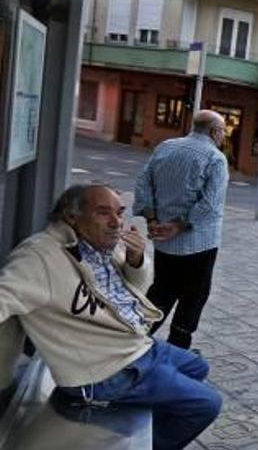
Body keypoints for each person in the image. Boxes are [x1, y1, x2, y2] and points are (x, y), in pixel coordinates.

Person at [0, 185, 222, 449]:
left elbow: (136, 289)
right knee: (207, 404)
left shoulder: (100, 244)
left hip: (135, 345)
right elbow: (5, 295)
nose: (116, 222)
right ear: (72, 217)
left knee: (198, 367)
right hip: (106, 371)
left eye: (120, 212)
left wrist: (136, 259)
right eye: (103, 213)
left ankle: (156, 414)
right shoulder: (39, 257)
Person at [134, 110, 230, 350]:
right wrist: (178, 226)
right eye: (223, 132)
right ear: (214, 132)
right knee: (193, 297)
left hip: (163, 241)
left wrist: (152, 219)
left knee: (162, 291)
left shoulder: (166, 146)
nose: (224, 136)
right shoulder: (215, 158)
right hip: (199, 243)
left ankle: (135, 341)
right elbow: (210, 204)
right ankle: (178, 348)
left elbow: (143, 182)